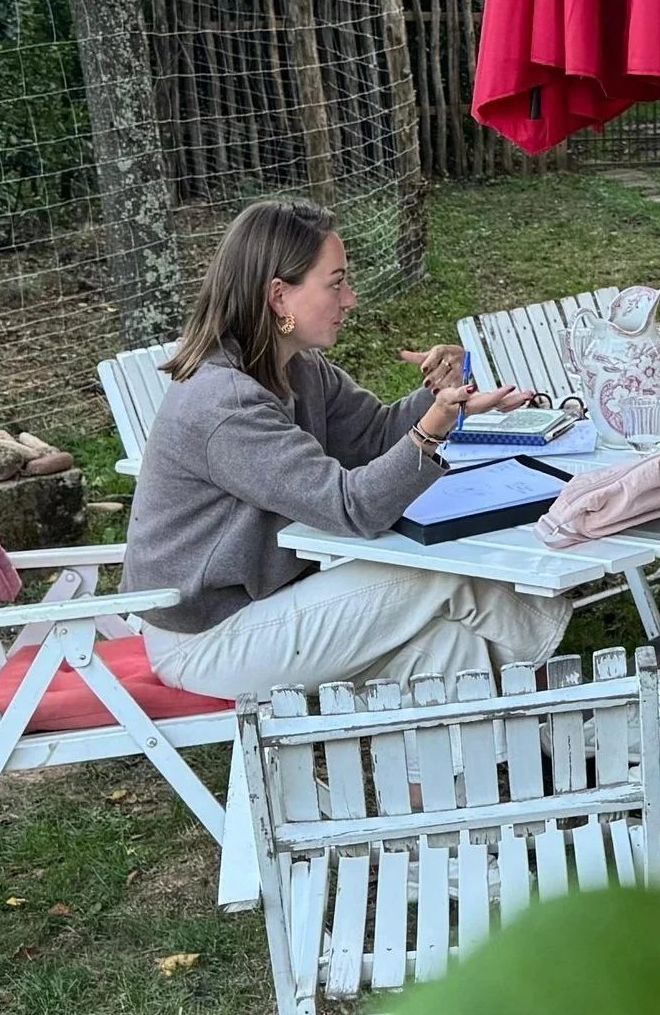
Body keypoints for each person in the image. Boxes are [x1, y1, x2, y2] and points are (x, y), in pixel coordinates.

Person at [129, 198, 568, 705]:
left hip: (269, 608)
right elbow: (352, 508)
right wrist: (431, 430)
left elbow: (375, 435)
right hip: (206, 639)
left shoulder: (297, 367)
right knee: (443, 573)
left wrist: (442, 398)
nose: (350, 298)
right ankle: (568, 693)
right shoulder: (224, 404)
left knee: (449, 647)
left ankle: (474, 774)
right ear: (279, 296)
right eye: (335, 283)